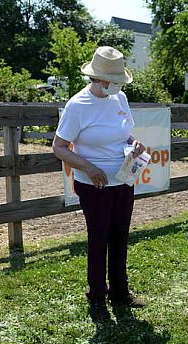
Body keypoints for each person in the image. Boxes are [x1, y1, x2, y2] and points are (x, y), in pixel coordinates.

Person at [52, 46, 146, 322]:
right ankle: (96, 295)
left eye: (119, 82)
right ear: (97, 79)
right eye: (113, 81)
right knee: (99, 237)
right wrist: (89, 168)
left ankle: (119, 291)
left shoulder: (120, 99)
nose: (117, 86)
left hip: (122, 178)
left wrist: (134, 143)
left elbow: (125, 135)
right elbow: (59, 147)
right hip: (93, 185)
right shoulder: (77, 106)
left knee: (120, 235)